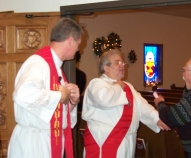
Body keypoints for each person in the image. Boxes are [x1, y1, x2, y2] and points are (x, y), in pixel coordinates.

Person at [8, 18, 83, 158]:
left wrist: (71, 101)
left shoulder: (57, 68)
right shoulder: (38, 64)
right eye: (78, 44)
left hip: (47, 139)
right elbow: (22, 94)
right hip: (33, 144)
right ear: (70, 40)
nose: (78, 49)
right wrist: (60, 96)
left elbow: (54, 111)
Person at [82, 49, 168, 158]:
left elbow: (143, 107)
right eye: (117, 62)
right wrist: (118, 87)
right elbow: (103, 100)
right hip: (104, 140)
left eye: (122, 62)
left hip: (127, 141)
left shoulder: (128, 87)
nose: (122, 65)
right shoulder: (97, 84)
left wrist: (158, 119)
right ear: (106, 67)